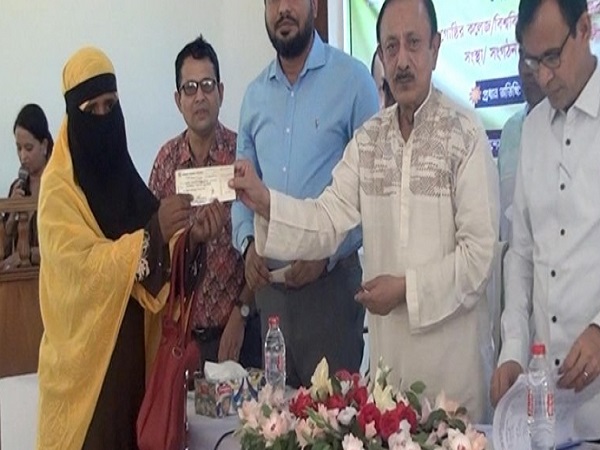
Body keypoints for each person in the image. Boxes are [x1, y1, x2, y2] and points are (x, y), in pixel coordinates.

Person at [230, 0, 499, 422]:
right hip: (391, 378)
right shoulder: (370, 141)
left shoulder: (465, 135)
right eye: (391, 47)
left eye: (413, 43)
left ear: (435, 48)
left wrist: (406, 290)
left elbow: (479, 257)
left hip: (453, 371)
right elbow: (327, 217)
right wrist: (266, 202)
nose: (402, 60)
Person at [36, 46, 226, 449]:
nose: (104, 117)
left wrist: (191, 238)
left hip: (135, 372)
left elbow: (159, 254)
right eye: (92, 109)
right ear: (72, 116)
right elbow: (81, 272)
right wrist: (153, 233)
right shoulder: (58, 192)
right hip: (86, 385)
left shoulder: (123, 178)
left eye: (111, 105)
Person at [231, 0, 379, 387]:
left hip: (330, 293)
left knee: (335, 418)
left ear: (314, 4)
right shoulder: (254, 96)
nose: (283, 8)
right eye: (273, 1)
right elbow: (240, 186)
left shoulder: (353, 82)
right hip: (271, 295)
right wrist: (247, 245)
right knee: (274, 418)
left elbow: (373, 195)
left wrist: (326, 256)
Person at [491, 0, 600, 438]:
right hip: (545, 406)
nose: (543, 76)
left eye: (552, 57)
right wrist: (513, 350)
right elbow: (521, 253)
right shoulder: (532, 130)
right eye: (532, 61)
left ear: (585, 29)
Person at [149, 36, 261, 370]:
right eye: (190, 88)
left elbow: (264, 243)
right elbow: (150, 249)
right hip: (183, 340)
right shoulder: (166, 163)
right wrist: (190, 239)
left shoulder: (243, 156)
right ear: (178, 99)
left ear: (221, 93)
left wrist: (242, 313)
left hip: (240, 333)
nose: (200, 96)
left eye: (208, 85)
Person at [497, 30, 545, 244]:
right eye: (522, 57)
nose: (526, 70)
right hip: (511, 261)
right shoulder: (511, 130)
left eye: (535, 59)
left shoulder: (575, 130)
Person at [1, 104, 53, 268]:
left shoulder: (58, 185)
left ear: (44, 146)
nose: (23, 156)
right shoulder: (17, 187)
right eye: (19, 148)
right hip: (17, 282)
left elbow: (64, 248)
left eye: (28, 148)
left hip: (47, 278)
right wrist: (11, 217)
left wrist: (27, 255)